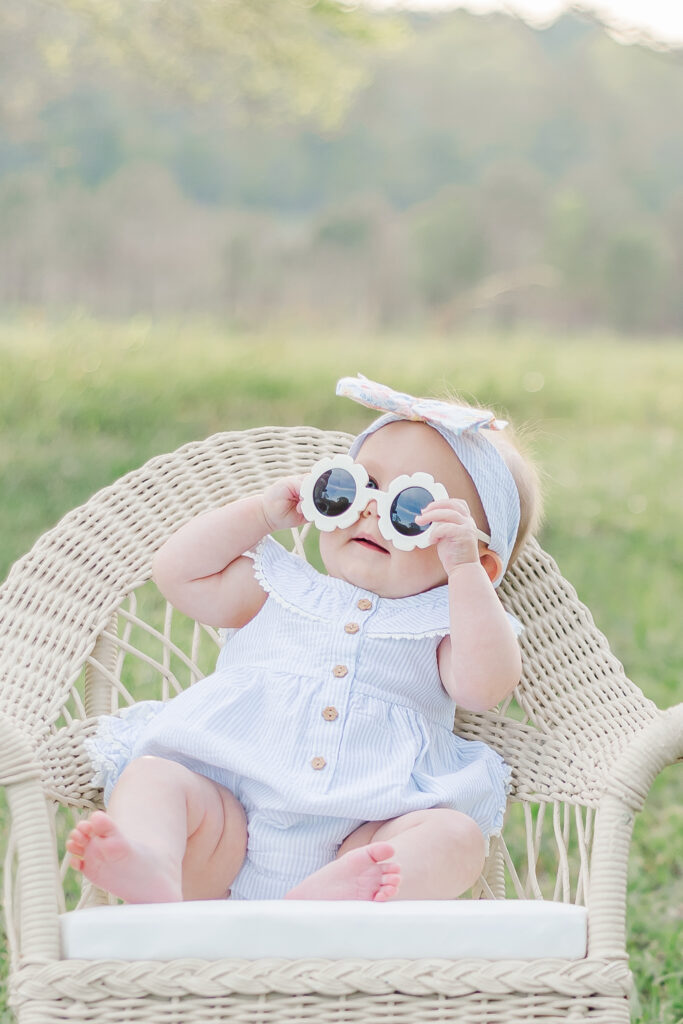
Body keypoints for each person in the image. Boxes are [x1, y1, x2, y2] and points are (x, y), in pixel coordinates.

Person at [67, 375, 542, 904]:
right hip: (226, 829)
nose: (370, 510)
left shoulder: (442, 621)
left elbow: (485, 687)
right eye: (352, 488)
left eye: (409, 510)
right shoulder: (279, 587)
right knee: (152, 777)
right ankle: (154, 865)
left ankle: (340, 902)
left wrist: (465, 577)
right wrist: (260, 514)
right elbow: (177, 574)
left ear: (480, 560)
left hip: (361, 835)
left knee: (456, 839)